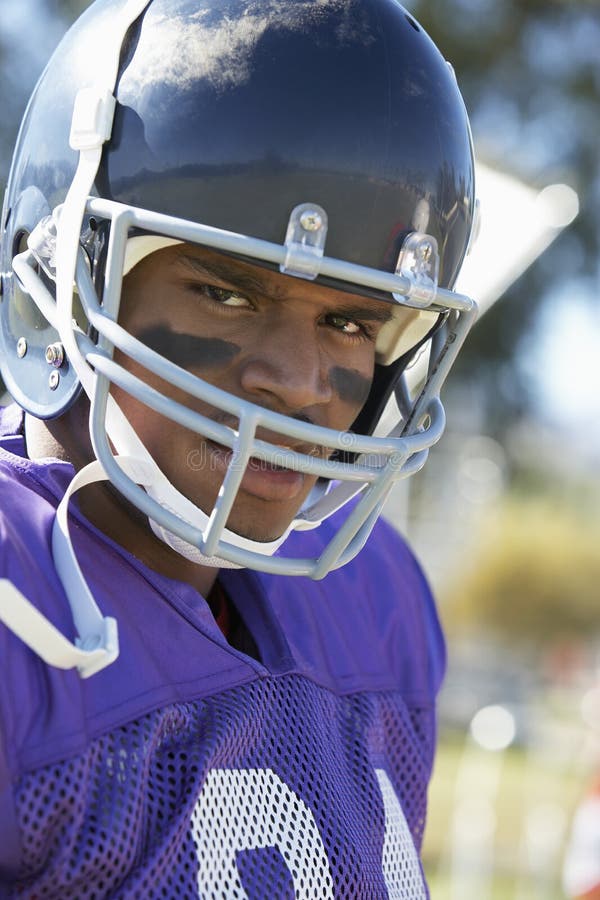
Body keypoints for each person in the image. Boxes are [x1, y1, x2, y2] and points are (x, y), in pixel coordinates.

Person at [0, 0, 477, 895]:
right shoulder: (16, 611)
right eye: (226, 293)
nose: (298, 381)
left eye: (350, 322)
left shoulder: (375, 603)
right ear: (61, 276)